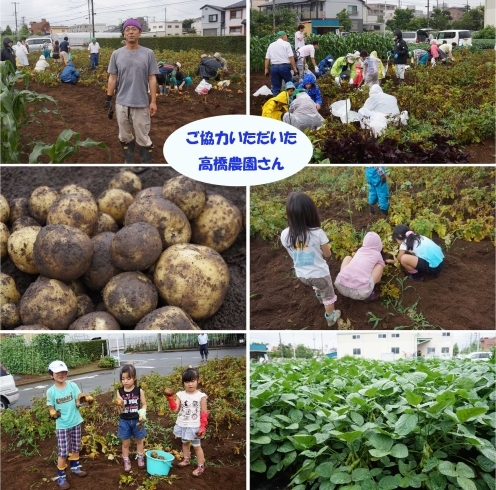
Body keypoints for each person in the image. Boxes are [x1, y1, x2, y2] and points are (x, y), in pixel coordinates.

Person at [280, 192, 341, 326]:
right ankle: (331, 317)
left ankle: (319, 296)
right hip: (320, 274)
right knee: (329, 296)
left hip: (301, 274)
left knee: (315, 284)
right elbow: (327, 254)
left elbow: (292, 252)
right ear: (311, 212)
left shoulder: (285, 235)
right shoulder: (317, 233)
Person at [105, 18, 159, 164]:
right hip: (121, 103)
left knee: (143, 137)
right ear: (123, 34)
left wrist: (153, 101)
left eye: (134, 29)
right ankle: (129, 161)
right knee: (124, 136)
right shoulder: (116, 54)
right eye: (127, 29)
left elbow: (152, 78)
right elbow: (112, 78)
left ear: (140, 32)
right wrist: (108, 99)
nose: (130, 32)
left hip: (141, 103)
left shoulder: (148, 54)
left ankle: (145, 165)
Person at [46, 360, 90, 489]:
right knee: (63, 452)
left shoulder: (72, 386)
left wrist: (83, 400)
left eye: (64, 372)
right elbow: (50, 407)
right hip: (62, 426)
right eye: (58, 372)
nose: (61, 374)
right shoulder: (51, 392)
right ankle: (61, 476)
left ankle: (75, 467)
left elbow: (77, 403)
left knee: (76, 447)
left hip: (76, 422)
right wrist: (52, 412)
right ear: (51, 375)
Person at [164, 367, 209, 477]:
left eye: (193, 381)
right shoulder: (180, 394)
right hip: (183, 424)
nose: (190, 384)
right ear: (183, 383)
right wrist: (170, 399)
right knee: (184, 443)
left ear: (198, 380)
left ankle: (200, 466)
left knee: (197, 446)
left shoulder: (201, 396)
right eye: (187, 381)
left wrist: (202, 427)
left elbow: (204, 413)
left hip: (194, 426)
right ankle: (186, 459)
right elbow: (175, 409)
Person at [334, 232, 386, 302]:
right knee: (380, 267)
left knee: (348, 258)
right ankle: (370, 294)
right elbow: (383, 265)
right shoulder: (377, 254)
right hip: (361, 293)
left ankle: (345, 278)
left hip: (341, 286)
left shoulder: (360, 250)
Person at [115, 364, 147, 472]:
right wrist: (119, 405)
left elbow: (144, 404)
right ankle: (126, 459)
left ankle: (140, 457)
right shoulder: (119, 391)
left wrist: (143, 412)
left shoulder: (139, 391)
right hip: (124, 421)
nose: (125, 381)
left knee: (139, 440)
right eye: (123, 378)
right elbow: (119, 404)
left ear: (135, 378)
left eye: (128, 378)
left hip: (138, 421)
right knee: (125, 443)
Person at [264, 31, 298, 96]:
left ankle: (276, 103)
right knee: (289, 86)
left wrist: (266, 69)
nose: (287, 37)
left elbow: (267, 58)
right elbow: (291, 57)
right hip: (284, 67)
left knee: (275, 88)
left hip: (274, 68)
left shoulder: (271, 45)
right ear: (283, 36)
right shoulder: (286, 44)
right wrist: (294, 68)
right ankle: (289, 102)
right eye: (286, 36)